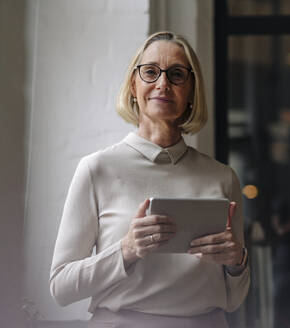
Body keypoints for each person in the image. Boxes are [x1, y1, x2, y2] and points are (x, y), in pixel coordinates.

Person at [49, 31, 250, 328]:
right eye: (151, 72)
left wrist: (236, 262)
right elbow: (61, 288)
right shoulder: (96, 169)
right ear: (133, 85)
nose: (163, 83)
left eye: (177, 74)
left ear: (192, 90)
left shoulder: (223, 177)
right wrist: (127, 249)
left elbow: (234, 300)